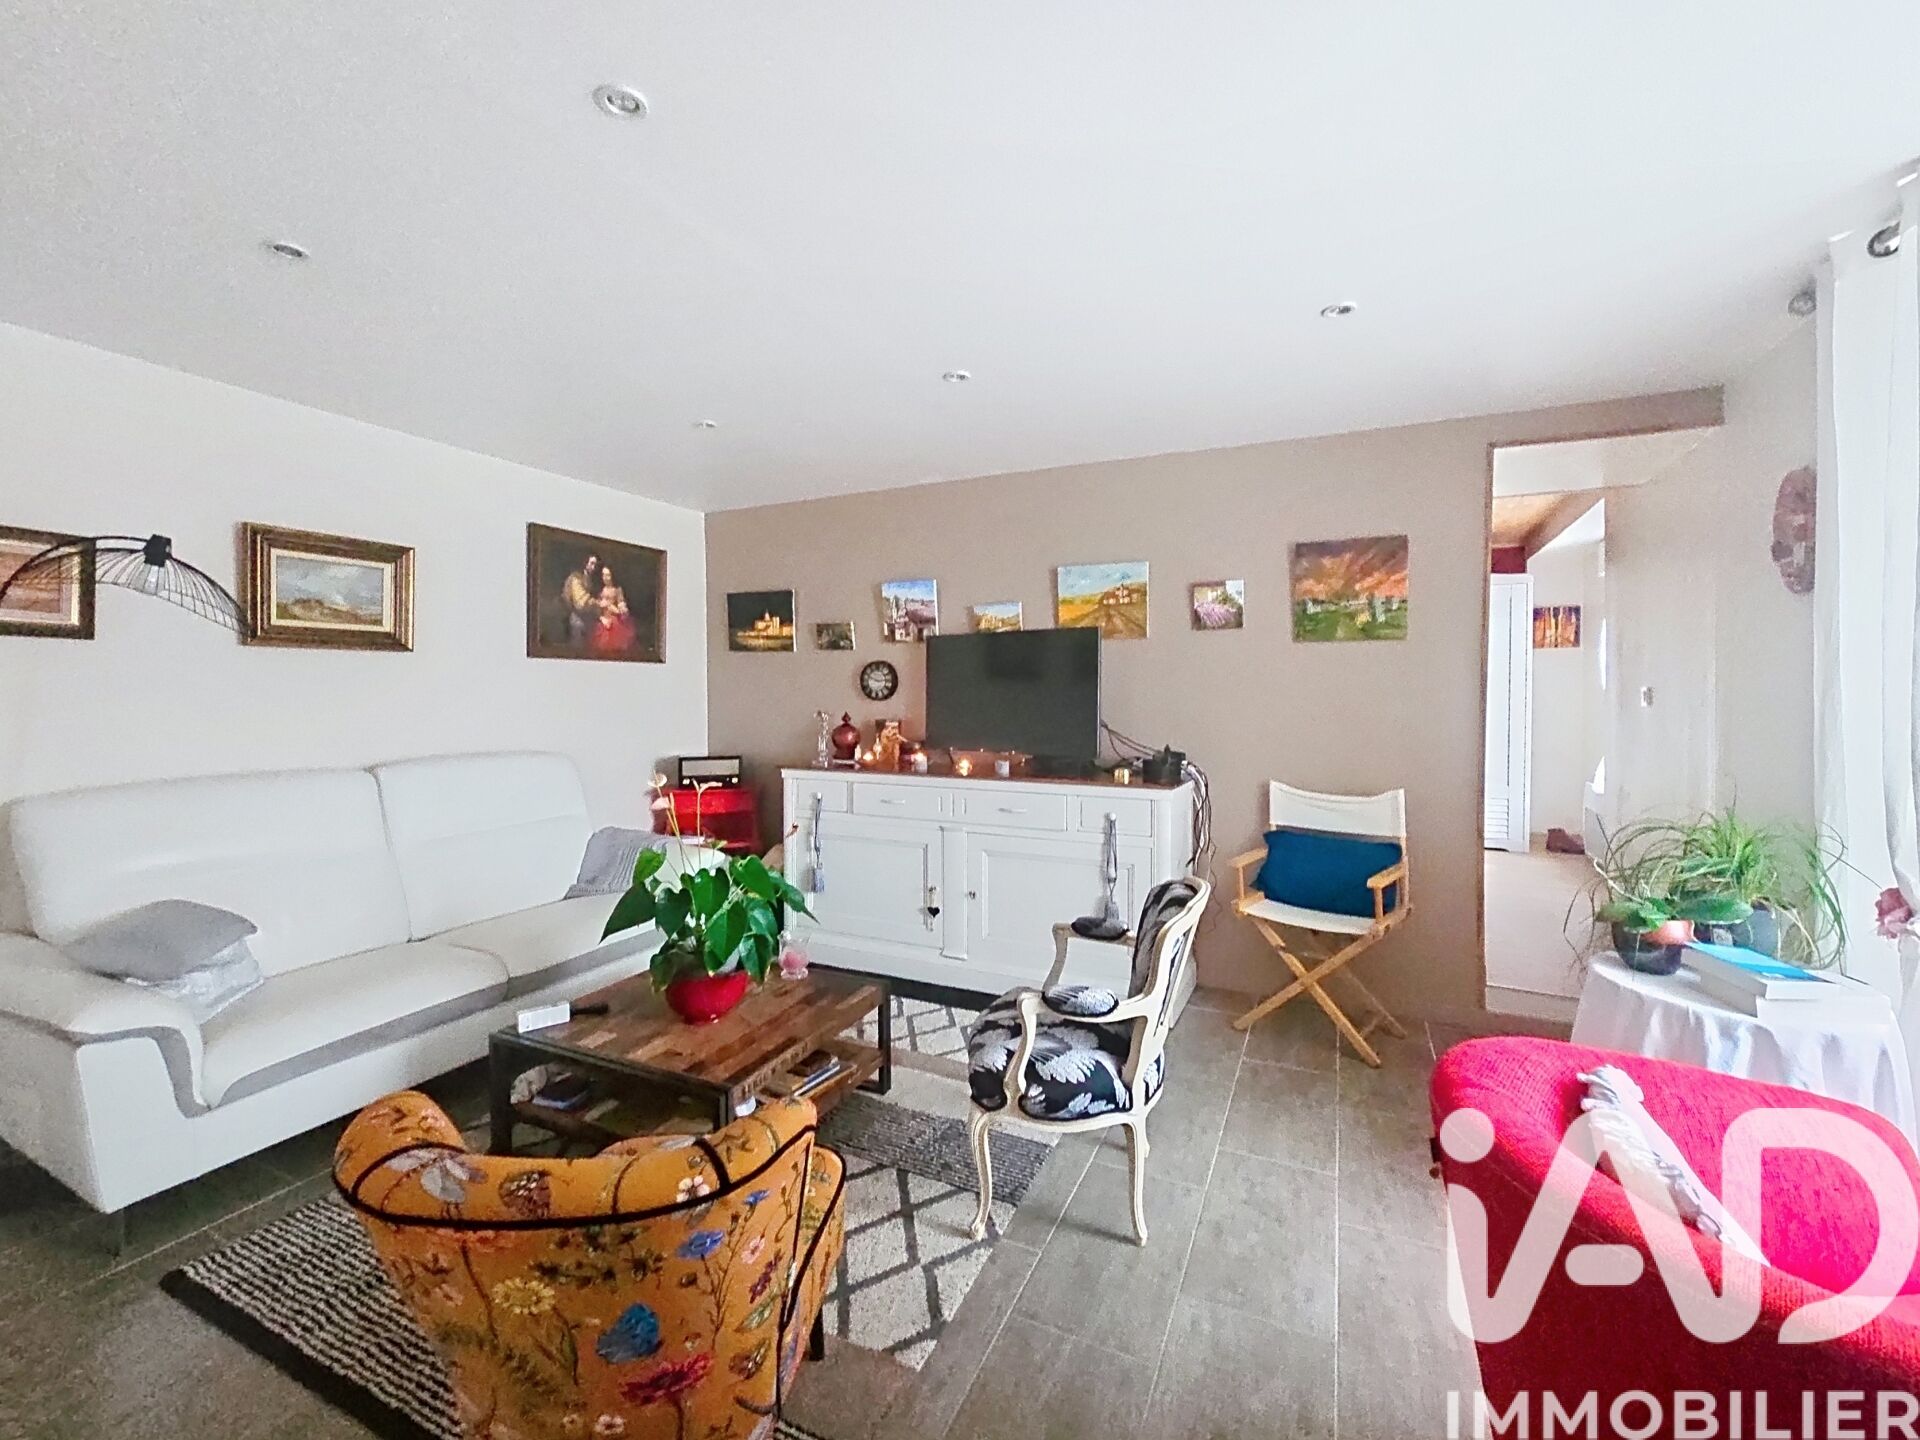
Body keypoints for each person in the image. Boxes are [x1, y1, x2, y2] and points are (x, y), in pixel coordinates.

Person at [589, 564, 637, 654]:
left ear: (612, 576)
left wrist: (613, 607)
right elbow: (596, 608)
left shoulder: (617, 589)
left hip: (615, 621)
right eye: (603, 575)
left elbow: (621, 608)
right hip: (602, 621)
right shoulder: (600, 590)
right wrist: (602, 618)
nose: (605, 578)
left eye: (608, 575)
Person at [561, 554, 601, 643]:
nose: (594, 567)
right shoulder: (576, 578)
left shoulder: (590, 578)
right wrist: (598, 603)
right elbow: (580, 603)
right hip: (577, 620)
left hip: (587, 619)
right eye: (591, 563)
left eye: (595, 565)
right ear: (585, 563)